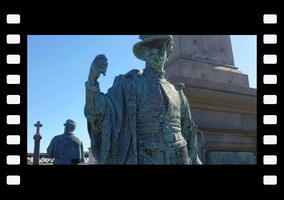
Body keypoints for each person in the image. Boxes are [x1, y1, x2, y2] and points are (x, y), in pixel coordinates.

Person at [84, 35, 202, 164]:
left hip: (180, 155)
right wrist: (92, 82)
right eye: (149, 48)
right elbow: (99, 112)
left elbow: (188, 130)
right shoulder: (129, 83)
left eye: (159, 48)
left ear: (167, 53)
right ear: (143, 54)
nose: (154, 52)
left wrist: (195, 158)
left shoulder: (178, 91)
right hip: (145, 155)